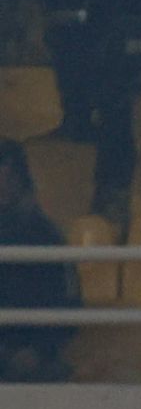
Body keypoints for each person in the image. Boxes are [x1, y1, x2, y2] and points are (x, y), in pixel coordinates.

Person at [0, 139, 79, 383]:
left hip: (32, 358)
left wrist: (40, 350)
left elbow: (70, 304)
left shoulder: (47, 237)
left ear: (21, 179)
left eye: (8, 177)